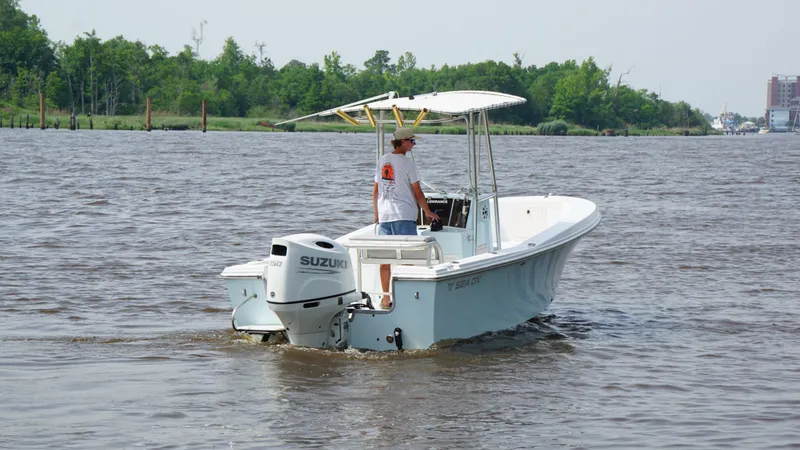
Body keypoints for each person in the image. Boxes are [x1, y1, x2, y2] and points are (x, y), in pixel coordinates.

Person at [372, 127, 440, 309]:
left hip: (385, 216)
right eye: (412, 141)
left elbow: (376, 190)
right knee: (408, 260)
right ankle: (404, 299)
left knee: (385, 260)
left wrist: (377, 214)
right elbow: (418, 193)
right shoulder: (407, 163)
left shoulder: (382, 160)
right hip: (403, 215)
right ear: (403, 141)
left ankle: (385, 299)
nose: (414, 144)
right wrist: (428, 212)